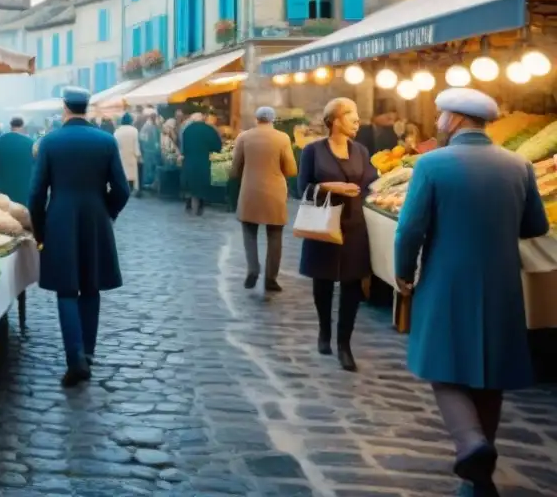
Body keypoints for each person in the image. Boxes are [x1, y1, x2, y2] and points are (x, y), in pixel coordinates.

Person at [395, 89, 546, 494]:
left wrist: (403, 273)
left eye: (441, 115)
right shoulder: (519, 165)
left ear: (456, 120)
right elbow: (537, 227)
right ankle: (479, 481)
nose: (438, 121)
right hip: (501, 283)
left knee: (441, 365)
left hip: (446, 279)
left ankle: (470, 442)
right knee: (489, 374)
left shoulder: (431, 164)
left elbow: (410, 229)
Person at [28, 87, 130, 387]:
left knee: (66, 289)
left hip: (60, 220)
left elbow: (35, 194)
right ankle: (89, 354)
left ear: (64, 107)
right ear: (87, 107)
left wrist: (40, 228)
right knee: (91, 287)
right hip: (96, 220)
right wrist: (107, 212)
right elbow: (122, 190)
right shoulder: (106, 140)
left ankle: (75, 360)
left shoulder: (50, 141)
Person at [297, 98, 376, 372]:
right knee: (324, 283)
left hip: (354, 227)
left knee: (352, 286)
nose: (357, 119)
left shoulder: (362, 151)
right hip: (323, 223)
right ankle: (324, 331)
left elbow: (369, 183)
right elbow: (301, 189)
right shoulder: (312, 151)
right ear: (335, 119)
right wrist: (329, 187)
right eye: (351, 114)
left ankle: (344, 345)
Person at [231, 106, 297, 292]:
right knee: (275, 236)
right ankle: (271, 278)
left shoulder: (243, 137)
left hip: (250, 191)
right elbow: (291, 170)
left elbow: (235, 169)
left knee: (249, 233)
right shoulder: (282, 138)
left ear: (256, 118)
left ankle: (253, 268)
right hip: (274, 192)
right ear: (273, 119)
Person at [180, 112, 222, 216]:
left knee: (190, 181)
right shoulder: (209, 129)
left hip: (189, 160)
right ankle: (200, 206)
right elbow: (217, 146)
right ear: (203, 119)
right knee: (202, 182)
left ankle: (189, 203)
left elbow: (182, 146)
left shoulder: (187, 129)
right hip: (203, 160)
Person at [0, 117, 34, 207]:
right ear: (22, 126)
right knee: (22, 213)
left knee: (5, 212)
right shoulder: (30, 143)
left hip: (3, 186)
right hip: (23, 186)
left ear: (11, 126)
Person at [114, 112, 142, 197]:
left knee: (123, 173)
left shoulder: (117, 131)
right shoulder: (134, 131)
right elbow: (136, 145)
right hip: (131, 155)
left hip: (121, 156)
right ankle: (134, 189)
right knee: (132, 175)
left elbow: (115, 146)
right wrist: (138, 155)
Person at [139, 110, 161, 188]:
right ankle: (148, 184)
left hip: (149, 150)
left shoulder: (149, 126)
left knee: (150, 167)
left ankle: (149, 183)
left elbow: (142, 138)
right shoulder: (148, 126)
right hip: (149, 150)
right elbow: (144, 138)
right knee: (149, 168)